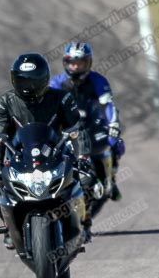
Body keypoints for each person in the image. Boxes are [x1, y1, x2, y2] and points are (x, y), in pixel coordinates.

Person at [0, 53, 96, 247]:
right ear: (14, 80)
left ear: (45, 80)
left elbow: (77, 130)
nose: (28, 88)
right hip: (19, 159)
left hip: (57, 155)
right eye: (23, 81)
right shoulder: (3, 103)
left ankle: (84, 222)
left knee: (87, 180)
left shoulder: (63, 98)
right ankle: (9, 226)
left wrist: (82, 156)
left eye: (33, 82)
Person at [49, 42, 124, 201]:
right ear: (66, 63)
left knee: (117, 142)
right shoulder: (56, 83)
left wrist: (113, 125)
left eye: (80, 63)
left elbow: (108, 105)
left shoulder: (98, 81)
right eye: (72, 63)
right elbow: (47, 109)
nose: (76, 67)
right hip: (67, 128)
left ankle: (111, 178)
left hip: (94, 124)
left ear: (88, 63)